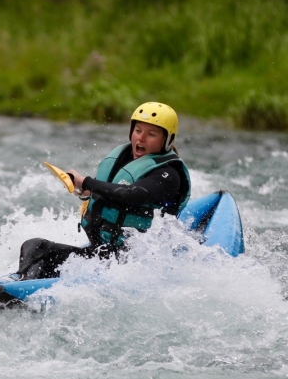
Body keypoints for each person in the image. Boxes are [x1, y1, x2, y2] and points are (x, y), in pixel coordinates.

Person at [16, 102, 191, 280]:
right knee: (35, 247)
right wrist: (85, 191)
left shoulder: (169, 174)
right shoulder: (124, 158)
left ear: (167, 140)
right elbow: (114, 193)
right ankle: (20, 283)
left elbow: (133, 195)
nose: (141, 138)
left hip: (133, 267)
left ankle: (24, 290)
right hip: (101, 255)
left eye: (151, 134)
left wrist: (86, 181)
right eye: (138, 131)